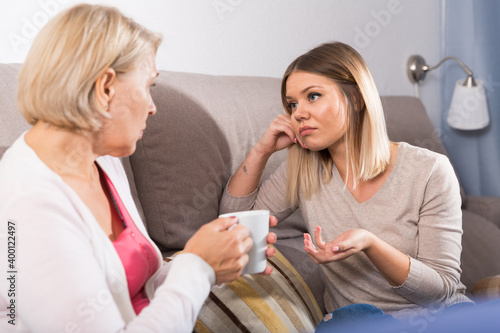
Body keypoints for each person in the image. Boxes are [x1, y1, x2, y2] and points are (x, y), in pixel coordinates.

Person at [0, 4, 277, 332]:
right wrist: (197, 266)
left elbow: (135, 287)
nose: (152, 107)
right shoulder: (28, 204)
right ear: (105, 89)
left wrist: (212, 257)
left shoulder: (103, 159)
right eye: (148, 86)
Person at [219, 41, 472, 328]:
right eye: (292, 104)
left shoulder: (430, 171)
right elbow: (234, 223)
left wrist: (371, 244)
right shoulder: (304, 169)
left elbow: (441, 290)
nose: (298, 113)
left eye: (312, 96)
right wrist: (261, 151)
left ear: (355, 98)